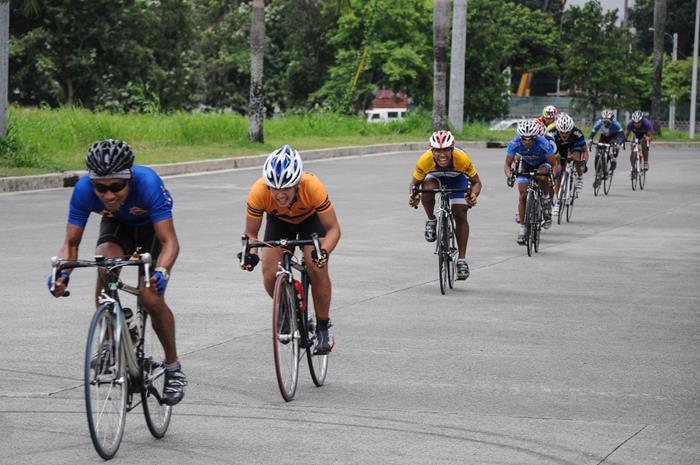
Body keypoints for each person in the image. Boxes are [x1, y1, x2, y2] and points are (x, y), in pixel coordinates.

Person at [48, 139, 187, 406]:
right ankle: (111, 341)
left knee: (150, 297)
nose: (109, 195)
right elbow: (71, 243)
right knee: (105, 266)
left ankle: (173, 368)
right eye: (101, 188)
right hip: (116, 226)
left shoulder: (147, 183)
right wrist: (62, 275)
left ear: (129, 179)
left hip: (151, 229)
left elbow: (170, 241)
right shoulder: (83, 191)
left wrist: (162, 272)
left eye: (116, 187)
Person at [240, 145, 341, 354]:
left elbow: (333, 230)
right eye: (274, 188)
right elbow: (251, 235)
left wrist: (324, 252)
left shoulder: (312, 186)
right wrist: (250, 253)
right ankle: (287, 309)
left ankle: (323, 327)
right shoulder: (259, 191)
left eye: (285, 188)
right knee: (269, 273)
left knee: (316, 267)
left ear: (297, 183)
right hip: (279, 222)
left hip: (310, 221)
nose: (279, 194)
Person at [408, 130, 482, 280]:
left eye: (446, 150)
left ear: (452, 148)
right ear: (432, 150)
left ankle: (461, 260)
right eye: (438, 150)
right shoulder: (424, 160)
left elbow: (476, 183)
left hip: (457, 179)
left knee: (459, 212)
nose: (442, 155)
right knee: (427, 188)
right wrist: (413, 196)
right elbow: (414, 185)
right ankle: (431, 220)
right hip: (435, 178)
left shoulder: (462, 158)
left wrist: (473, 195)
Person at [504, 120, 559, 244]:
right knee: (523, 195)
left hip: (543, 163)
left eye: (530, 139)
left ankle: (545, 198)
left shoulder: (543, 143)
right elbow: (507, 165)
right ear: (520, 137)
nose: (527, 142)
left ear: (536, 137)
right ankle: (523, 227)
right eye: (524, 139)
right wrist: (510, 175)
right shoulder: (514, 143)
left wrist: (552, 178)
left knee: (542, 176)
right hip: (526, 164)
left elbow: (553, 163)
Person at [549, 113, 589, 217]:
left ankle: (579, 177)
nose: (564, 135)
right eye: (562, 132)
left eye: (567, 132)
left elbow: (585, 150)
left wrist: (583, 163)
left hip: (573, 147)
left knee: (576, 158)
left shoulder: (577, 133)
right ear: (557, 129)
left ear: (571, 130)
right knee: (558, 175)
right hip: (558, 149)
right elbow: (549, 152)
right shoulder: (551, 133)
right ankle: (557, 202)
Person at [588, 109, 625, 174]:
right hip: (604, 136)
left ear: (612, 121)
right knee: (598, 151)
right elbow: (592, 133)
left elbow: (622, 136)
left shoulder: (616, 125)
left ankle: (613, 158)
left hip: (614, 136)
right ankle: (598, 172)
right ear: (601, 120)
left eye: (608, 122)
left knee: (614, 146)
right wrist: (590, 140)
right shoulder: (598, 123)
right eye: (604, 122)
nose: (606, 124)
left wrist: (618, 143)